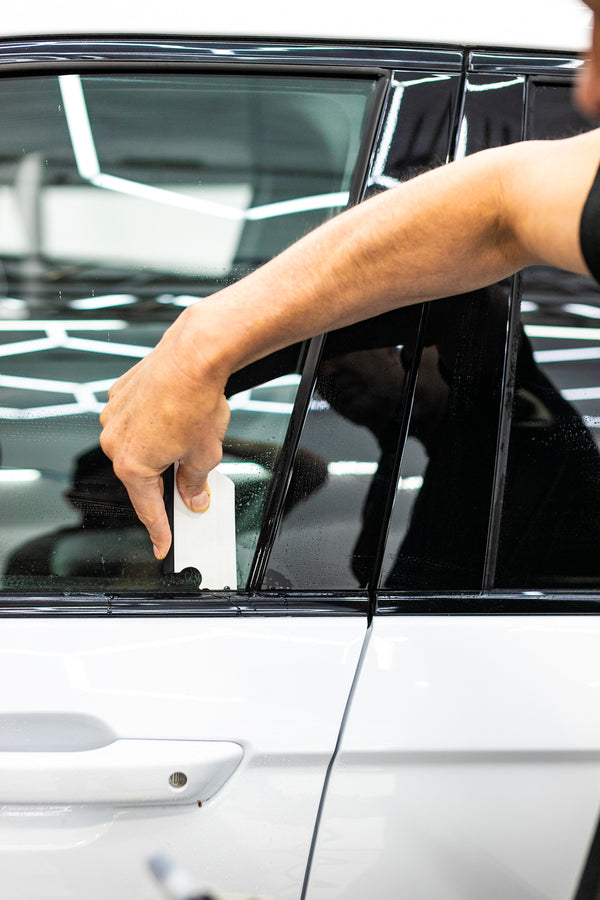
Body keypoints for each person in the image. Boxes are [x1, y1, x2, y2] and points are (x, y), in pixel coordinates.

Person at [99, 0, 600, 561]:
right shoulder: (415, 460)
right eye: (321, 372)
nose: (588, 92)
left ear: (424, 342)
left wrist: (199, 358)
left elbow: (486, 241)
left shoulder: (505, 413)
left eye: (340, 349)